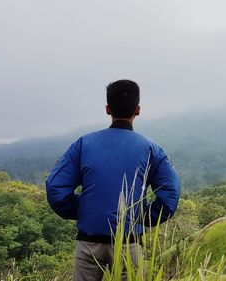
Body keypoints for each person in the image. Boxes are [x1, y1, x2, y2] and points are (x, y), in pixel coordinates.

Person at [46, 79, 180, 281]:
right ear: (138, 110)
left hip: (89, 244)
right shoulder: (151, 149)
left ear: (108, 109)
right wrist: (142, 217)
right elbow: (170, 194)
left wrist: (83, 209)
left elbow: (56, 186)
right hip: (130, 244)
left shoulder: (84, 144)